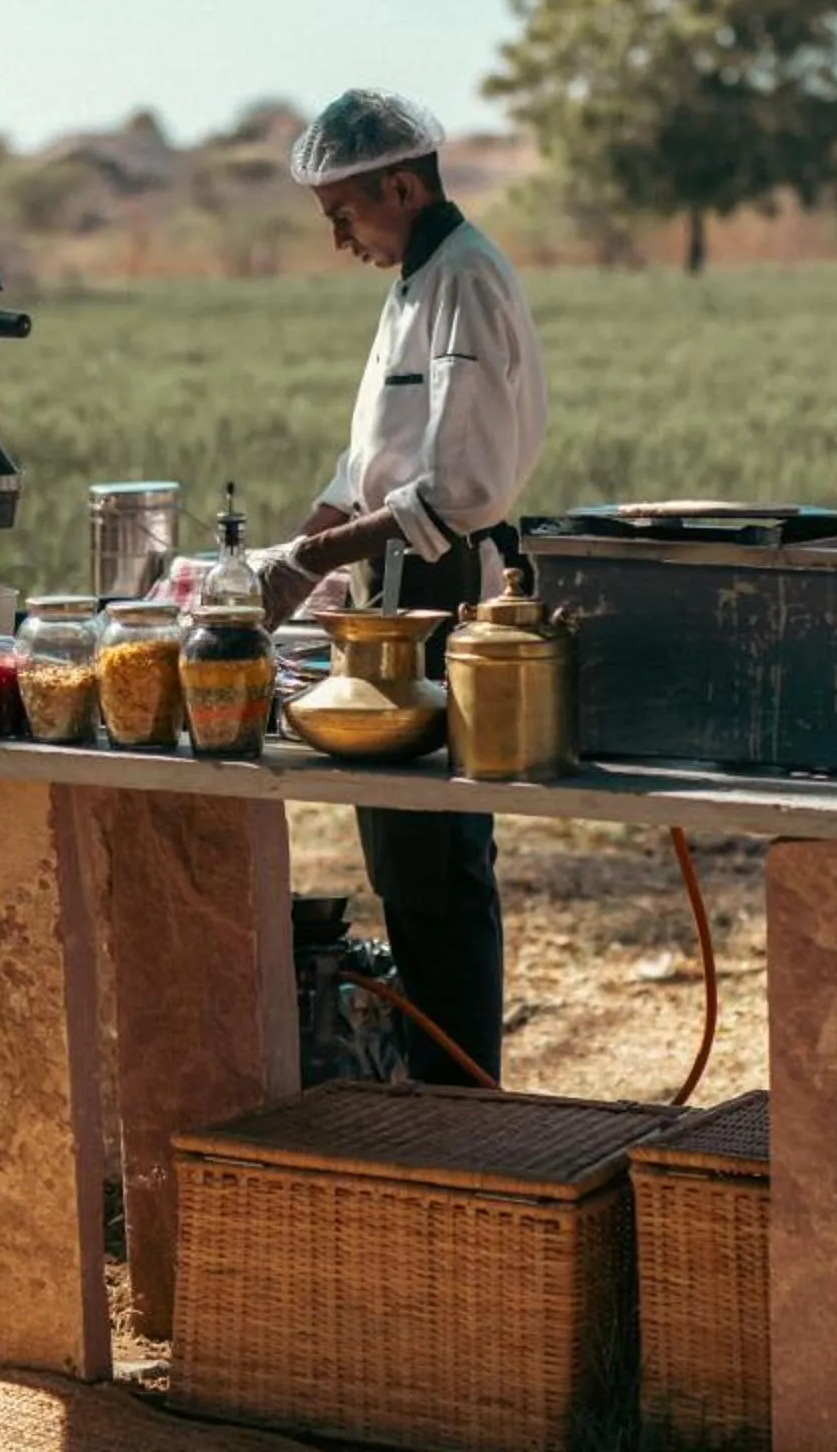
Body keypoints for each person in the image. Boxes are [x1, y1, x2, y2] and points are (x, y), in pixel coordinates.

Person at [255, 88, 548, 1088]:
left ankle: (462, 1097)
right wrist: (284, 562)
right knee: (403, 861)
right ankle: (439, 1083)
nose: (341, 238)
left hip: (444, 589)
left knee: (436, 864)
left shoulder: (467, 278)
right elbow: (365, 468)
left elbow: (459, 488)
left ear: (401, 183)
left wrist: (308, 565)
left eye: (346, 214)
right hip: (386, 591)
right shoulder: (413, 282)